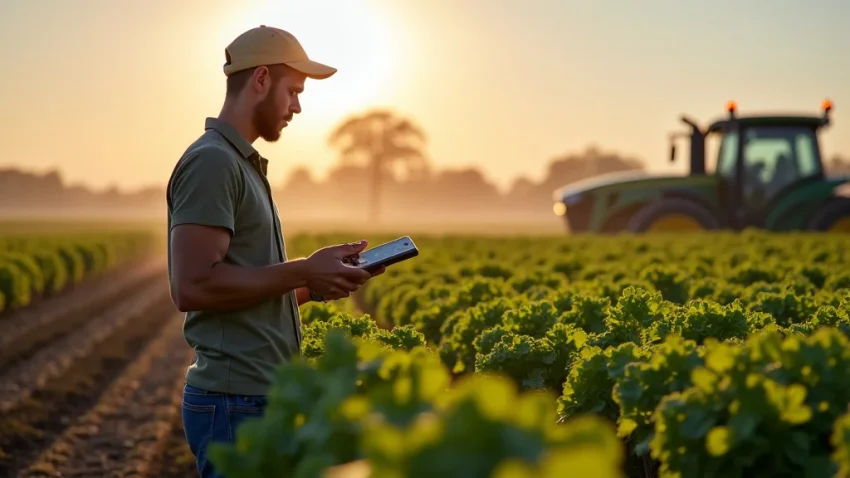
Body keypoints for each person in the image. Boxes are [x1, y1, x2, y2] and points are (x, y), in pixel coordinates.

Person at [165, 25, 384, 478]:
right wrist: (303, 268)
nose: (297, 107)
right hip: (233, 404)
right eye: (293, 91)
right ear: (261, 80)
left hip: (254, 398)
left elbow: (243, 291)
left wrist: (315, 284)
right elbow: (193, 286)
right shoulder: (213, 162)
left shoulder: (239, 164)